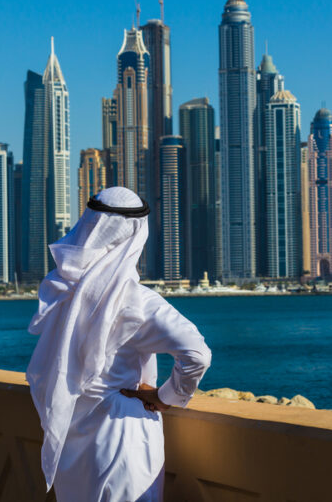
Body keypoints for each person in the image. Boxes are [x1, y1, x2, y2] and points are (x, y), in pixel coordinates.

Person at [26, 186, 212, 501]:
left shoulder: (61, 288)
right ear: (136, 235)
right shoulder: (137, 302)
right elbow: (197, 354)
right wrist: (166, 396)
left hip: (74, 444)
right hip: (122, 440)